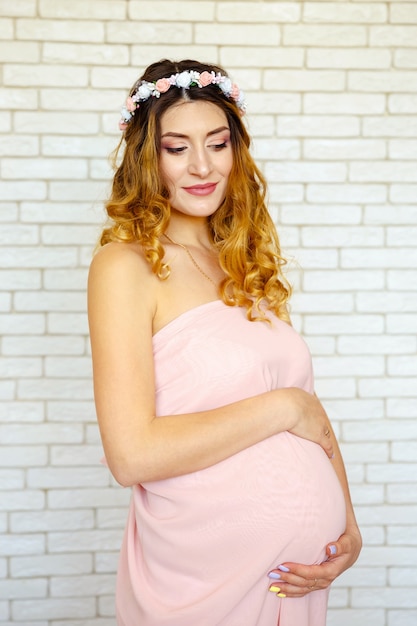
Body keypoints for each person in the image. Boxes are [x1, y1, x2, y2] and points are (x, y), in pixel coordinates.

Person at [88, 59, 362, 626]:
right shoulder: (125, 266)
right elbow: (131, 454)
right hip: (203, 580)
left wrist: (347, 526)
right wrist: (284, 408)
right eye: (176, 147)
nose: (202, 166)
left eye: (217, 143)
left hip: (295, 580)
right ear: (147, 158)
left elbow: (308, 413)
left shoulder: (243, 264)